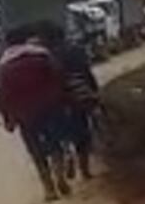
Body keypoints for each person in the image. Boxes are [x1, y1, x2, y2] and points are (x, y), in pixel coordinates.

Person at [0, 25, 70, 201]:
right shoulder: (41, 55)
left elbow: (4, 95)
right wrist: (63, 99)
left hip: (25, 114)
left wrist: (8, 118)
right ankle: (60, 176)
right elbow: (58, 77)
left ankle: (49, 189)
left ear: (7, 44)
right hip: (49, 107)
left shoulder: (4, 66)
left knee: (36, 151)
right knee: (55, 143)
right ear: (26, 39)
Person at [40, 23, 101, 181]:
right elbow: (87, 72)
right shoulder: (76, 50)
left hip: (58, 100)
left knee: (62, 133)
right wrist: (94, 90)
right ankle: (85, 169)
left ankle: (67, 153)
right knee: (83, 131)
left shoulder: (45, 57)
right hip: (80, 94)